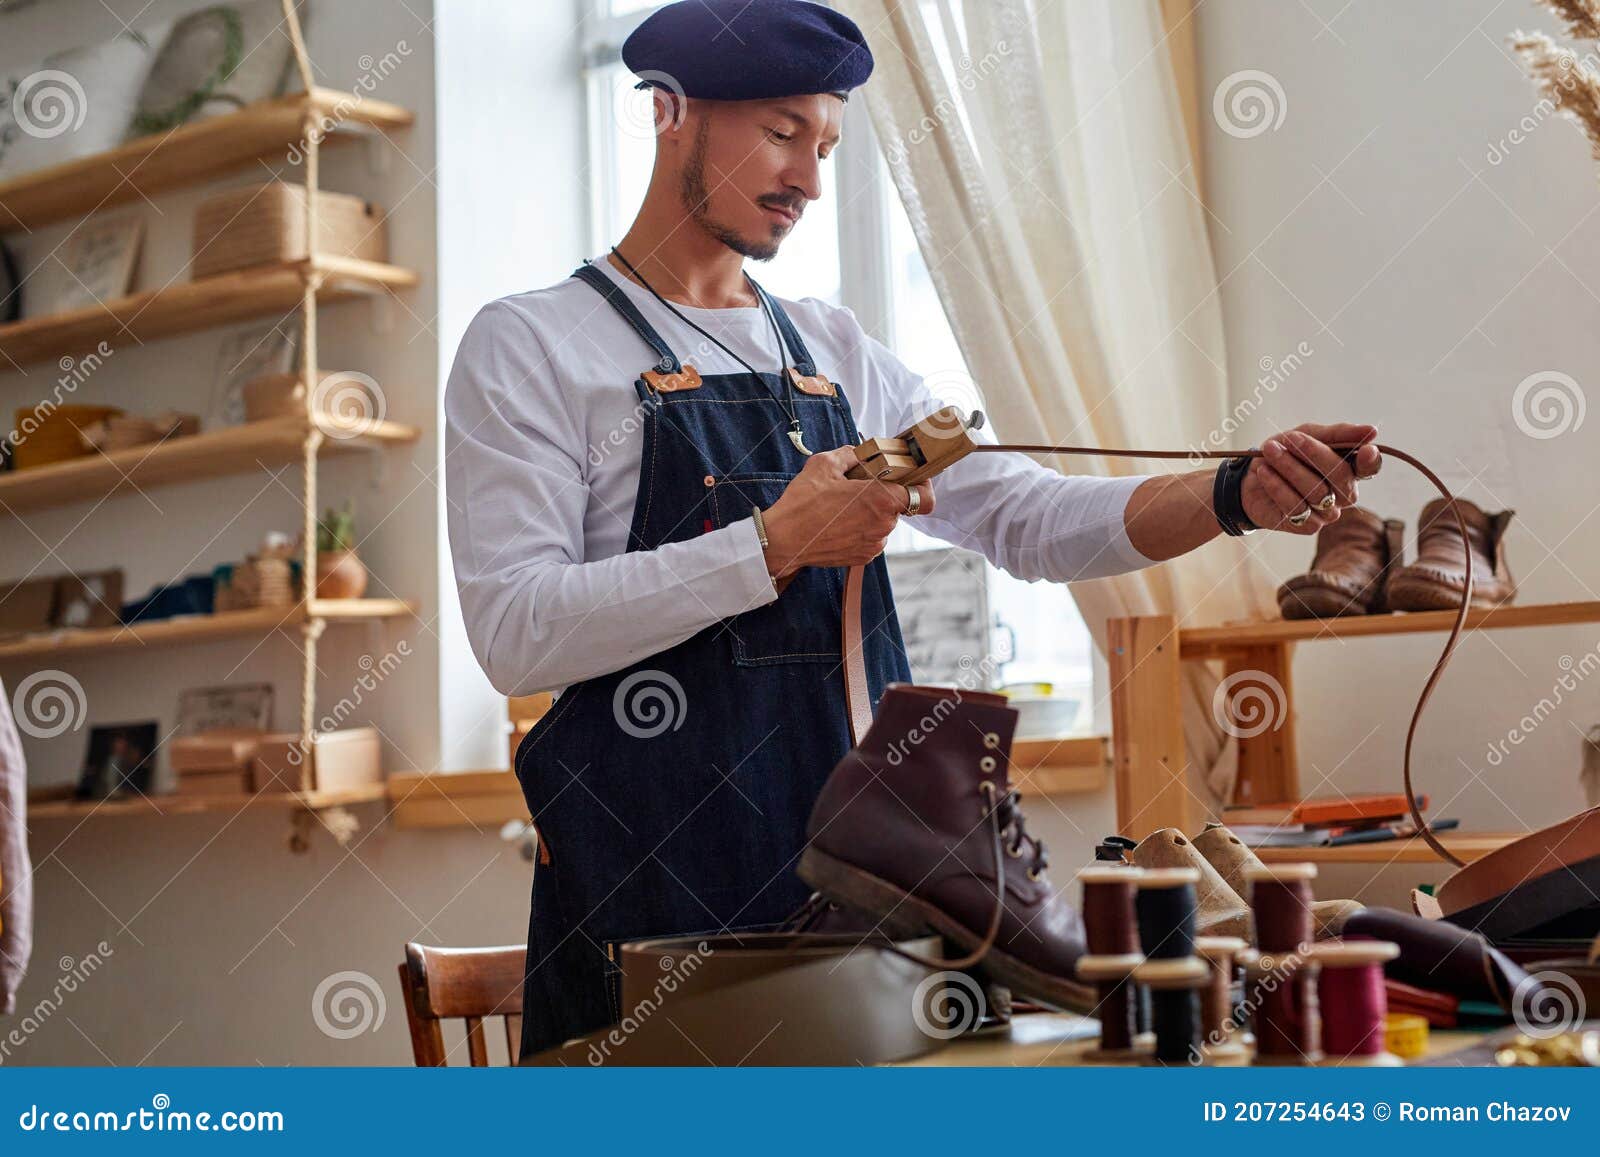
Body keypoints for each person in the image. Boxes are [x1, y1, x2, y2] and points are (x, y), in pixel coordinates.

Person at [443, 0, 1381, 1057]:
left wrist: (1227, 496)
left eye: (827, 143)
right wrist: (774, 542)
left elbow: (1030, 518)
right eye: (782, 131)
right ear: (668, 113)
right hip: (649, 891)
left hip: (859, 891)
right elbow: (515, 631)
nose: (807, 174)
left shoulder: (837, 350)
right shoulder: (528, 343)